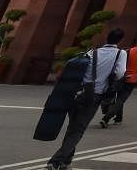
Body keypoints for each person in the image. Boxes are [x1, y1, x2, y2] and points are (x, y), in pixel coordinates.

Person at [46, 29, 126, 170]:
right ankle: (56, 161)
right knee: (78, 130)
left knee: (73, 127)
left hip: (77, 92)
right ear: (120, 40)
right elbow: (120, 73)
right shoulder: (121, 53)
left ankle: (66, 162)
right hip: (94, 95)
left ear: (106, 38)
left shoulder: (92, 52)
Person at [101, 33, 137, 127]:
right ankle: (106, 118)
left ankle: (118, 118)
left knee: (119, 96)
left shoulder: (130, 50)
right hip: (134, 77)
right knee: (121, 98)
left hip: (122, 76)